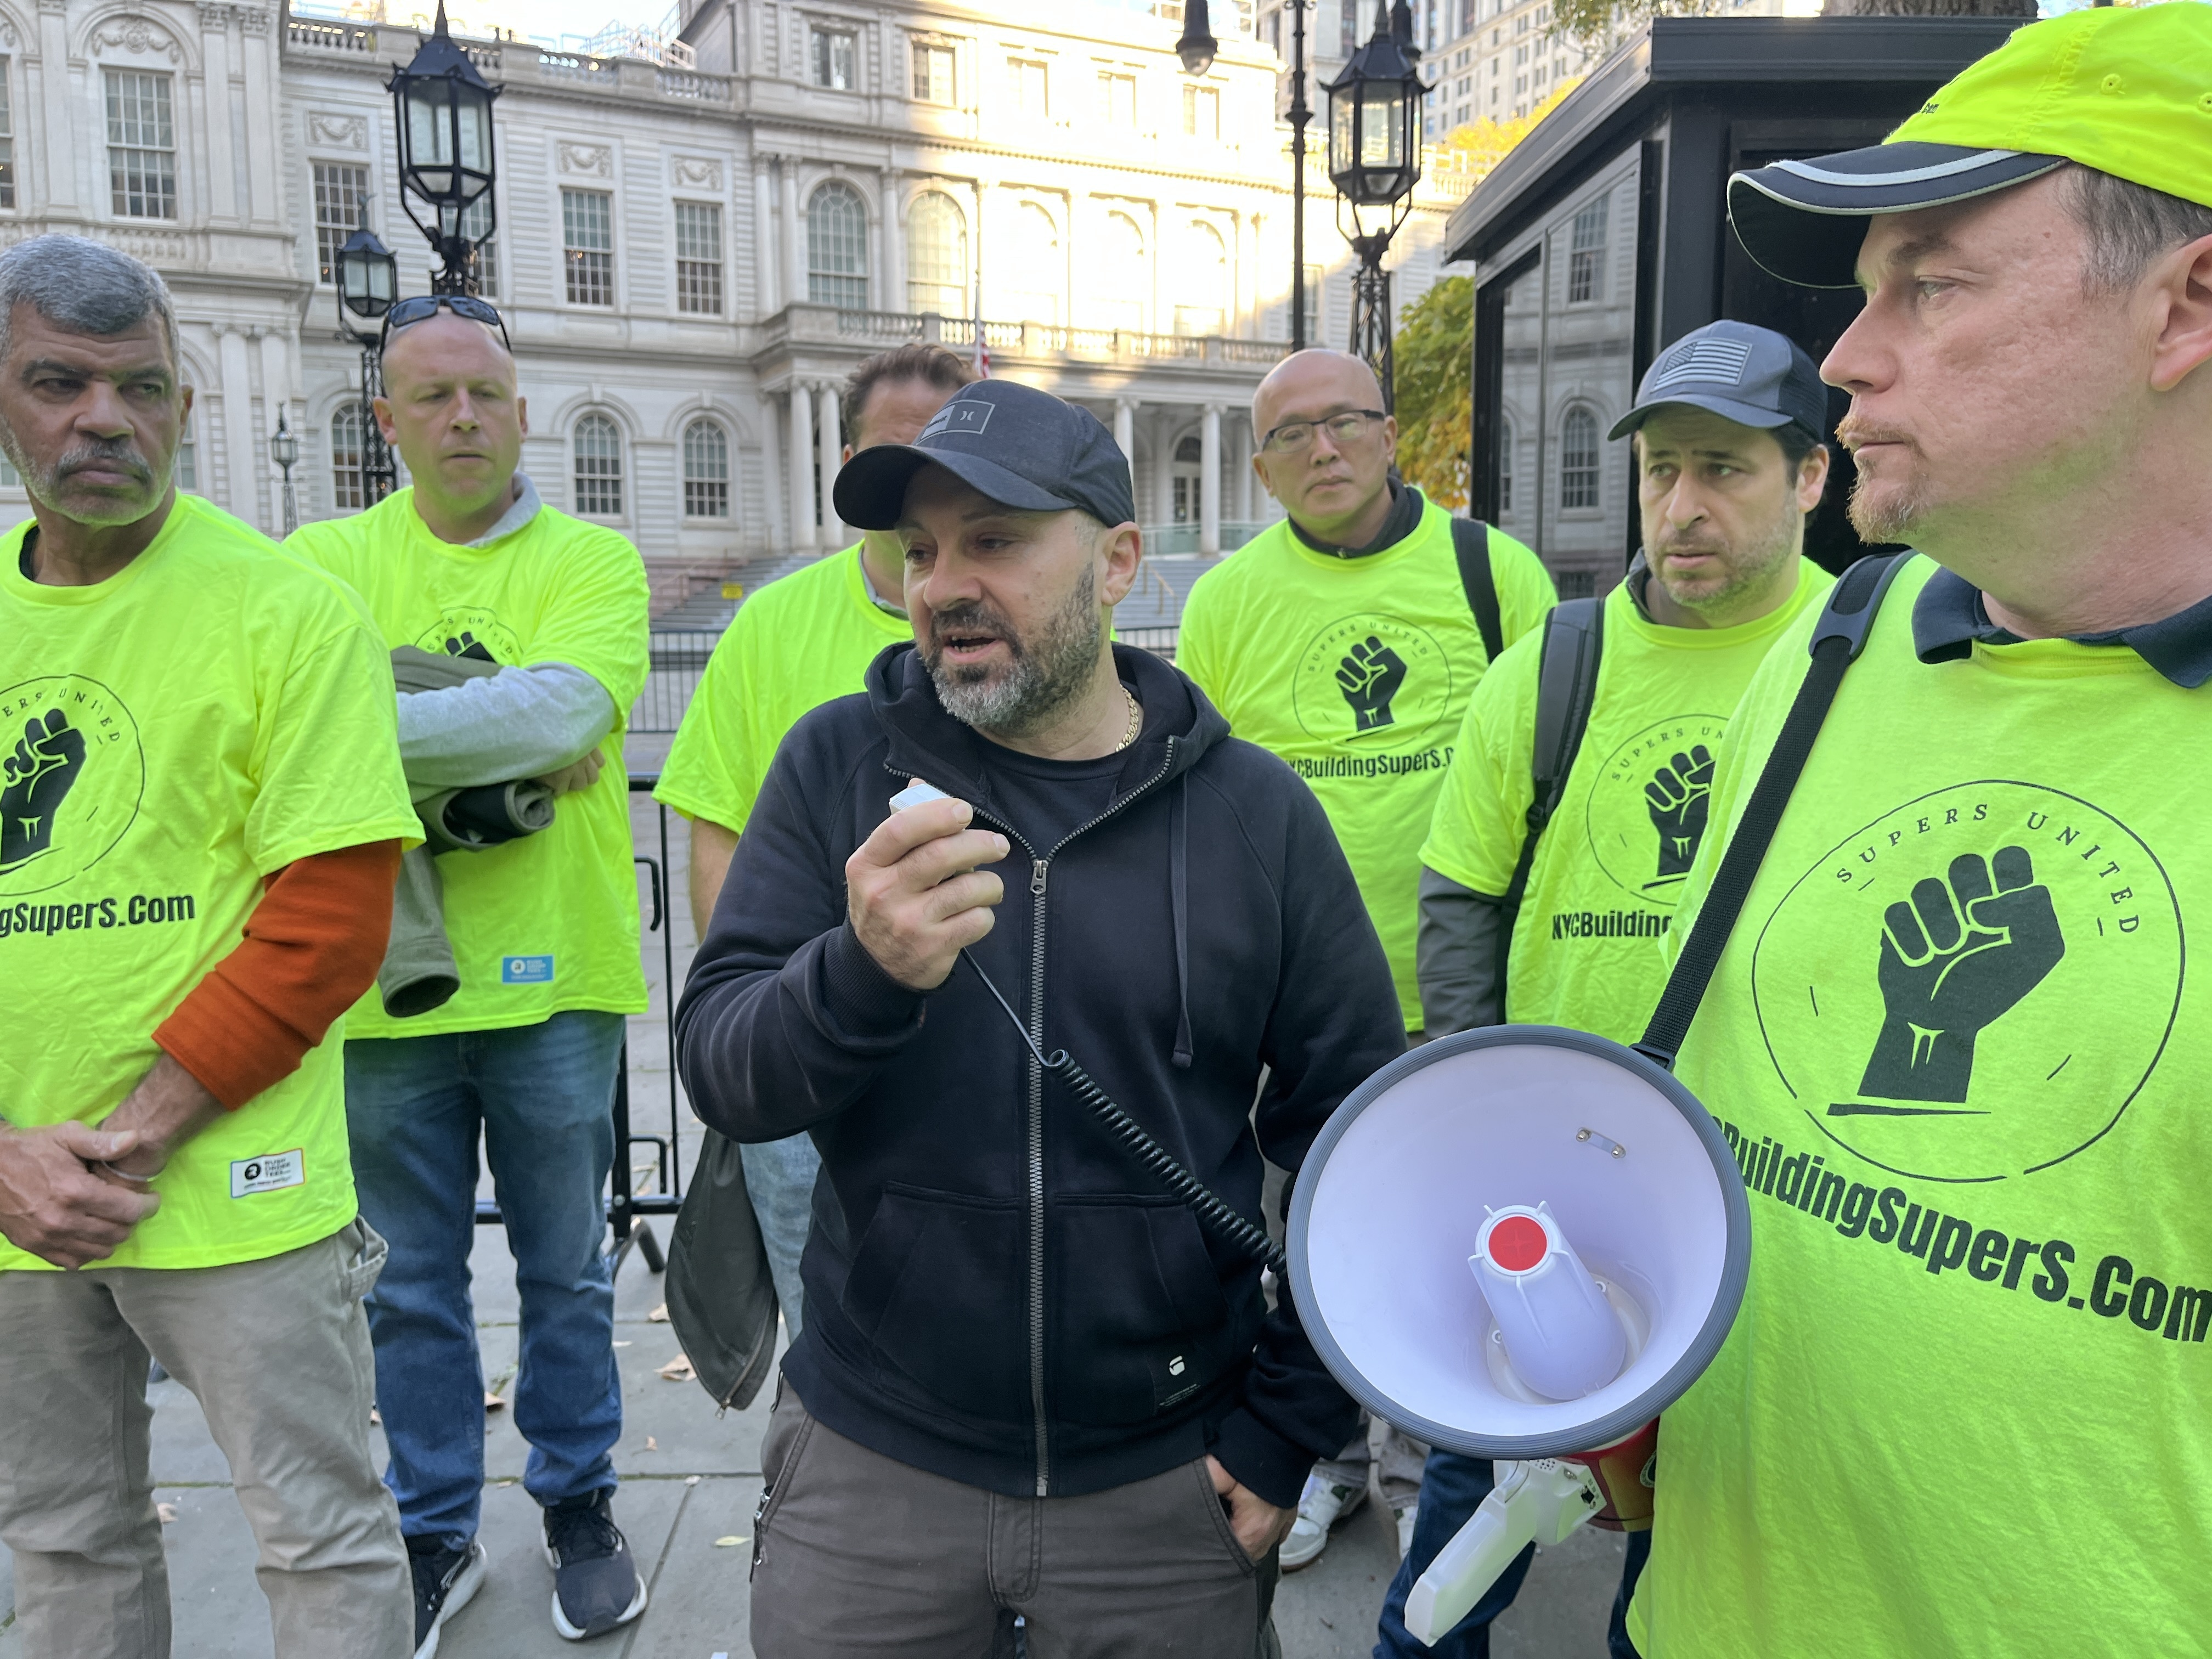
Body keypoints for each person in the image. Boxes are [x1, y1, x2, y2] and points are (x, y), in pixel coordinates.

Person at [1624, 8, 2212, 1654]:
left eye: (1931, 285)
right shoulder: (1839, 644)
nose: (1842, 359)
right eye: (1865, 287)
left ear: (2190, 301)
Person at [674, 379, 1403, 1657]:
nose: (944, 582)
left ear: (1120, 561)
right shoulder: (838, 767)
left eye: (995, 541)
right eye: (920, 550)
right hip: (874, 1466)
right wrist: (861, 972)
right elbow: (724, 1070)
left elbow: (1367, 1141)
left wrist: (1288, 1427)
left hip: (1169, 1479)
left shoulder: (1256, 814)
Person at [1387, 320, 1835, 1659]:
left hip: (1763, 1187)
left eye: (1725, 470)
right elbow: (1462, 898)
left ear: (1812, 477)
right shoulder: (1555, 666)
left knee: (1697, 1541)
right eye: (1660, 472)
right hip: (1561, 1177)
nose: (1681, 508)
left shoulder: (1875, 661)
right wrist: (1472, 1126)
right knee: (1481, 1501)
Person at [0, 235, 417, 1657]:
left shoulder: (285, 608)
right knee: (61, 1543)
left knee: (319, 1540)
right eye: (57, 382)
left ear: (186, 406)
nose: (102, 420)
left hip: (236, 1189)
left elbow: (327, 924)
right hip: (8, 1201)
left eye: (142, 388)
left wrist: (117, 1142)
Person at [288, 295, 652, 1653]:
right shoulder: (323, 557)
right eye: (430, 397)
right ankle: (435, 1526)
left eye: (483, 396)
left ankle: (580, 1507)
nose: (460, 419)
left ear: (519, 409)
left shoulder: (594, 561)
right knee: (405, 1284)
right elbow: (296, 723)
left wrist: (373, 721)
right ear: (385, 420)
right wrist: (483, 742)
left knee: (566, 1273)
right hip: (380, 987)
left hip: (556, 988)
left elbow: (566, 711)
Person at [1176, 348, 1556, 1564]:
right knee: (1309, 1247)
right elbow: (1201, 801)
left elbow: (1554, 767)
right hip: (1295, 1004)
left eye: (1343, 424)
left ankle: (1423, 1468)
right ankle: (1324, 1460)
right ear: (1261, 468)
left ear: (1393, 437)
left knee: (1449, 1246)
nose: (1322, 451)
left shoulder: (1492, 572)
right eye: (1291, 436)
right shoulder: (1226, 602)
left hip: (1454, 996)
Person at [655, 342, 972, 1336]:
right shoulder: (769, 622)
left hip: (975, 1047)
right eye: (894, 450)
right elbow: (719, 838)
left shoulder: (1014, 623)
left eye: (947, 445)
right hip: (808, 1036)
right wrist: (759, 1013)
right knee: (817, 1322)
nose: (922, 472)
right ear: (848, 463)